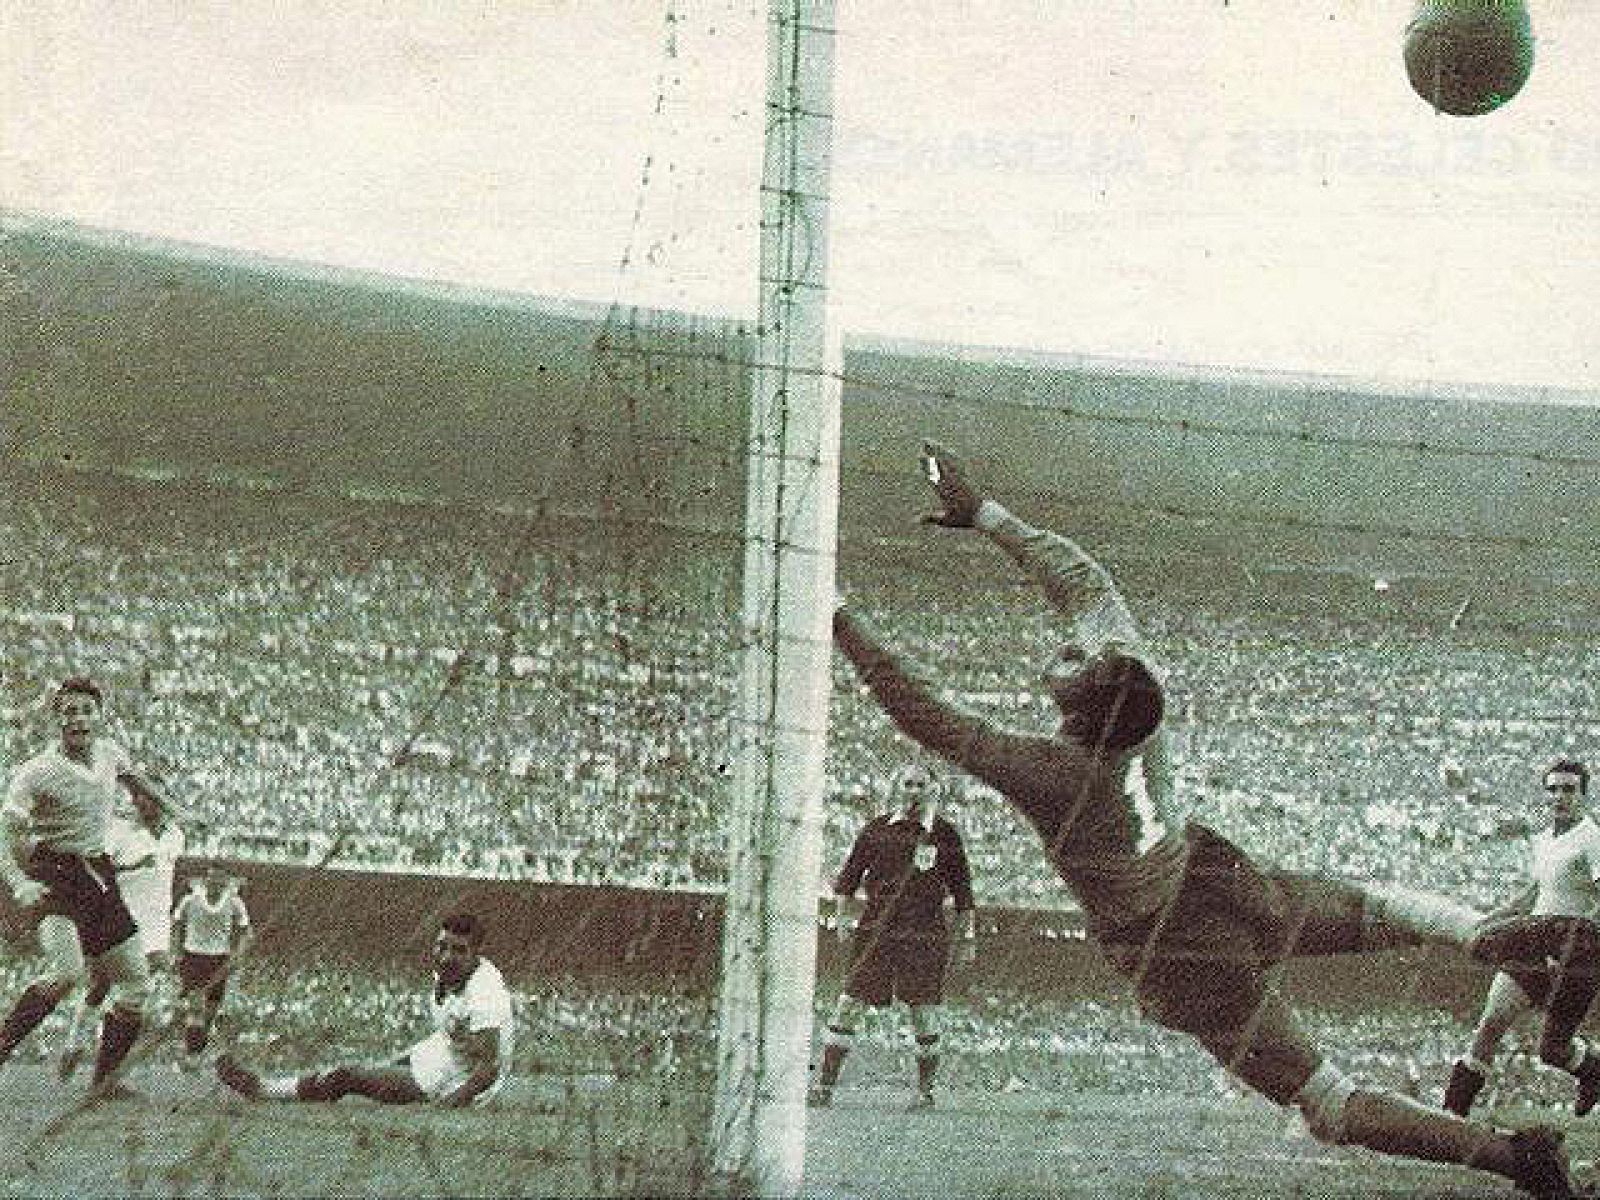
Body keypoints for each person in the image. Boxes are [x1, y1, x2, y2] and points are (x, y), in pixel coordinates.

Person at [827, 441, 1574, 1198]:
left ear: (1081, 716)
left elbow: (925, 712)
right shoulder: (1137, 692)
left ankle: (1515, 1160)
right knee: (1380, 908)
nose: (1065, 653)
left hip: (1179, 951)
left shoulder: (1054, 776)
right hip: (1218, 877)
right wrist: (988, 515)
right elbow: (1084, 583)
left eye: (1069, 669)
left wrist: (835, 617)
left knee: (1329, 1103)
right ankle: (1481, 934)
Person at [0, 676, 154, 1096]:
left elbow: (138, 783)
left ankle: (102, 1083)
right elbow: (5, 832)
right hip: (57, 875)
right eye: (70, 711)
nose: (79, 719)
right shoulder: (35, 773)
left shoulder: (109, 755)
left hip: (98, 875)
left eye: (87, 710)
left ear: (99, 716)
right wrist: (17, 882)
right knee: (67, 973)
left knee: (137, 985)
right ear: (58, 719)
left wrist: (174, 810)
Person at [215, 911, 513, 1108]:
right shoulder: (448, 974)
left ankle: (264, 1090)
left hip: (460, 1079)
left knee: (348, 1077)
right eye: (442, 946)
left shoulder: (485, 994)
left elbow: (488, 1070)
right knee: (371, 1067)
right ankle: (289, 1086)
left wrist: (447, 1104)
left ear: (476, 953)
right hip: (445, 1053)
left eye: (458, 950)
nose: (447, 957)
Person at [808, 763, 976, 1111]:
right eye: (908, 783)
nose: (914, 791)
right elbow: (848, 880)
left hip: (925, 933)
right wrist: (842, 920)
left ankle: (925, 1093)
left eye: (921, 784)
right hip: (877, 931)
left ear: (934, 790)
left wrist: (968, 938)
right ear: (898, 788)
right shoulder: (876, 830)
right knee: (849, 1003)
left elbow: (963, 895)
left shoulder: (945, 836)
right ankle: (824, 1086)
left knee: (923, 1011)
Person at [1444, 759, 1600, 1118]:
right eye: (1553, 789)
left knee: (1553, 1050)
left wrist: (1575, 949)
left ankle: (1594, 1072)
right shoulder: (1544, 840)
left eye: (1569, 789)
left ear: (1583, 795)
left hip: (1577, 955)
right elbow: (1533, 893)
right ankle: (1453, 1112)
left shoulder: (1591, 839)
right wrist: (1489, 921)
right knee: (1492, 1020)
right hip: (1536, 943)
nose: (1560, 796)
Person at [58, 771, 186, 1079]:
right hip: (120, 919)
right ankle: (75, 1044)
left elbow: (166, 875)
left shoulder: (175, 836)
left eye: (153, 796)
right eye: (140, 797)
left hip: (156, 924)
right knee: (101, 985)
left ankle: (107, 1064)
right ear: (134, 801)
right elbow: (93, 870)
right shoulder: (118, 832)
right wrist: (127, 867)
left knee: (142, 985)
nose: (146, 802)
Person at [171, 865, 252, 1066]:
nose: (215, 884)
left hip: (219, 959)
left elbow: (245, 930)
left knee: (210, 1012)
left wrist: (238, 955)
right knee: (195, 1007)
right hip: (193, 956)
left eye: (220, 881)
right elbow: (176, 924)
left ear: (225, 883)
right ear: (206, 881)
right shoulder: (190, 900)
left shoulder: (234, 902)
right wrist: (175, 952)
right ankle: (191, 1056)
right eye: (211, 880)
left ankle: (197, 1050)